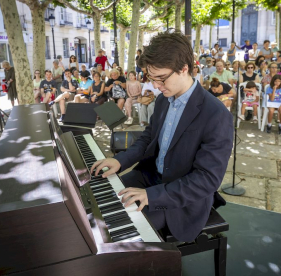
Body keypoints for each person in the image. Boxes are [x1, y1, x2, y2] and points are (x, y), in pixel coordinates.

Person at [89, 32, 234, 243]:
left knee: (120, 230)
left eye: (161, 78)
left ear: (184, 68)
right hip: (150, 176)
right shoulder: (163, 100)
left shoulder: (216, 114)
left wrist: (152, 196)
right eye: (151, 78)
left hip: (181, 198)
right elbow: (149, 138)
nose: (156, 85)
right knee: (101, 200)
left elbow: (207, 179)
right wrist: (120, 160)